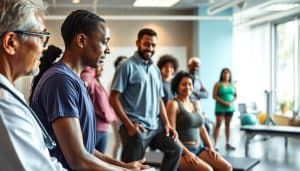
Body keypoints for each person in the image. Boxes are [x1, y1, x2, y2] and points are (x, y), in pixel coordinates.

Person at [30, 9, 148, 171]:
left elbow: (86, 148)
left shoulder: (72, 80)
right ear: (81, 40)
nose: (108, 50)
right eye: (104, 42)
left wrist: (123, 165)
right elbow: (78, 159)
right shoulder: (61, 81)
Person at [0, 0, 65, 170]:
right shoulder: (4, 105)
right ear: (11, 42)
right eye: (41, 37)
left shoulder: (9, 95)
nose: (44, 48)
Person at [110, 28, 182, 171]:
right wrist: (129, 125)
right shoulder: (126, 66)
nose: (150, 48)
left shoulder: (155, 69)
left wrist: (167, 123)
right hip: (135, 128)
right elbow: (113, 98)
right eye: (146, 44)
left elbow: (159, 99)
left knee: (175, 149)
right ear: (138, 43)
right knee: (132, 167)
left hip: (155, 127)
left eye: (153, 45)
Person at [167, 71, 232, 171]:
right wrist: (187, 153)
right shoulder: (173, 104)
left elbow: (201, 128)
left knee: (227, 167)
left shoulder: (196, 103)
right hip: (181, 151)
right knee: (208, 170)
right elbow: (172, 135)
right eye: (184, 84)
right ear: (177, 86)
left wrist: (211, 147)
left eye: (190, 84)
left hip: (199, 147)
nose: (188, 87)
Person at [80, 64, 116, 154]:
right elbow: (84, 80)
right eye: (100, 65)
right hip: (95, 128)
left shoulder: (97, 81)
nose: (103, 68)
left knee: (100, 159)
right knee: (90, 158)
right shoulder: (88, 77)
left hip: (104, 128)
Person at [213, 68, 237, 150]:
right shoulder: (218, 84)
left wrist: (231, 102)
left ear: (229, 75)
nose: (226, 74)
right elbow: (214, 96)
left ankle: (228, 143)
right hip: (220, 107)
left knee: (228, 125)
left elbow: (236, 95)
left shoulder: (232, 84)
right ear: (222, 74)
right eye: (224, 73)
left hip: (230, 108)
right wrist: (224, 103)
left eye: (227, 73)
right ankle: (215, 144)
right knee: (218, 124)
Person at [111, 55, 128, 160]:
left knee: (126, 143)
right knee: (118, 142)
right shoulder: (113, 81)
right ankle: (115, 163)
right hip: (116, 117)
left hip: (127, 116)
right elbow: (112, 101)